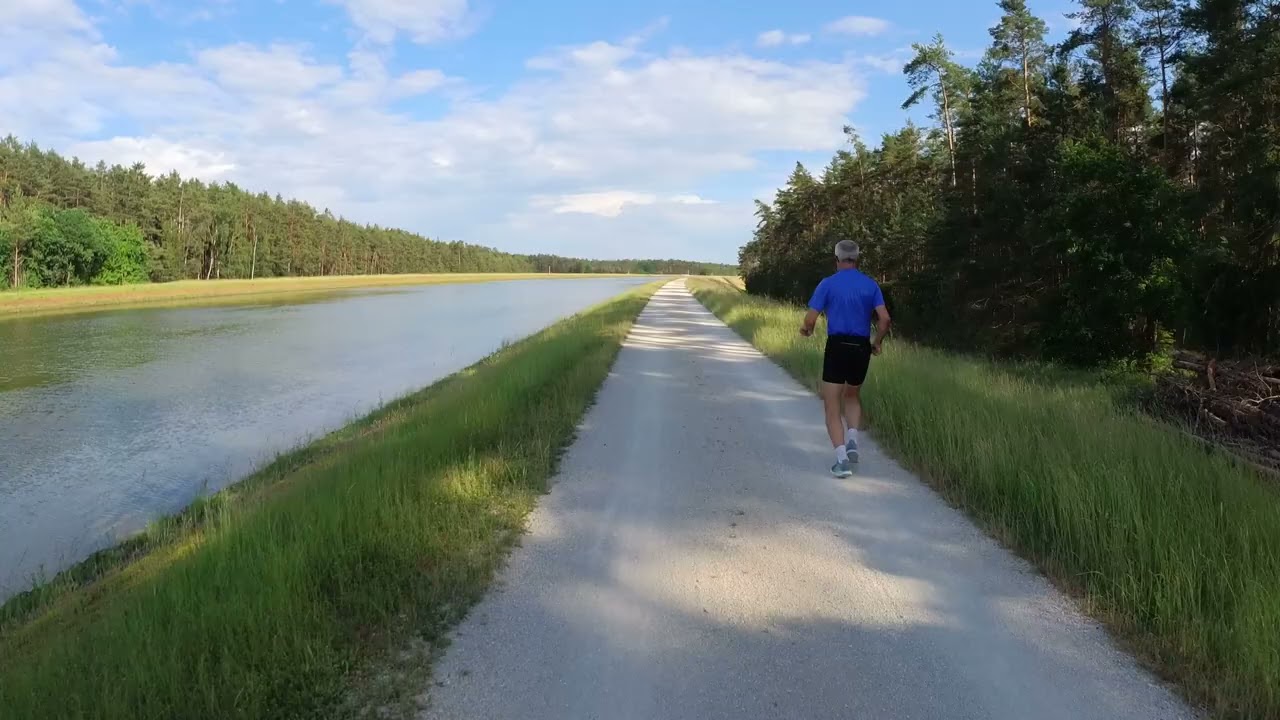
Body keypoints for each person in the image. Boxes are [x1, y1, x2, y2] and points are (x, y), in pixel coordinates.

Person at [800, 239, 891, 478]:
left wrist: (807, 329)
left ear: (836, 259)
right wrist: (877, 342)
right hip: (861, 347)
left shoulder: (827, 284)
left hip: (837, 346)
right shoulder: (871, 285)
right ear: (857, 259)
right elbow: (885, 319)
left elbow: (810, 318)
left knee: (831, 403)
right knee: (852, 395)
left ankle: (841, 462)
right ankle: (852, 441)